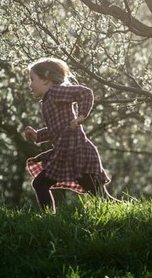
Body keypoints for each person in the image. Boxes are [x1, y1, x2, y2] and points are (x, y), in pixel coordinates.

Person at [24, 57, 116, 212]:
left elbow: (85, 92)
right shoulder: (47, 100)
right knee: (40, 184)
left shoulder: (56, 91)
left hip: (78, 151)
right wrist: (37, 135)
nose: (30, 84)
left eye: (32, 79)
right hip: (65, 152)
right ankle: (48, 219)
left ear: (46, 80)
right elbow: (57, 128)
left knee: (99, 195)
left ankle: (129, 209)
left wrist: (81, 116)